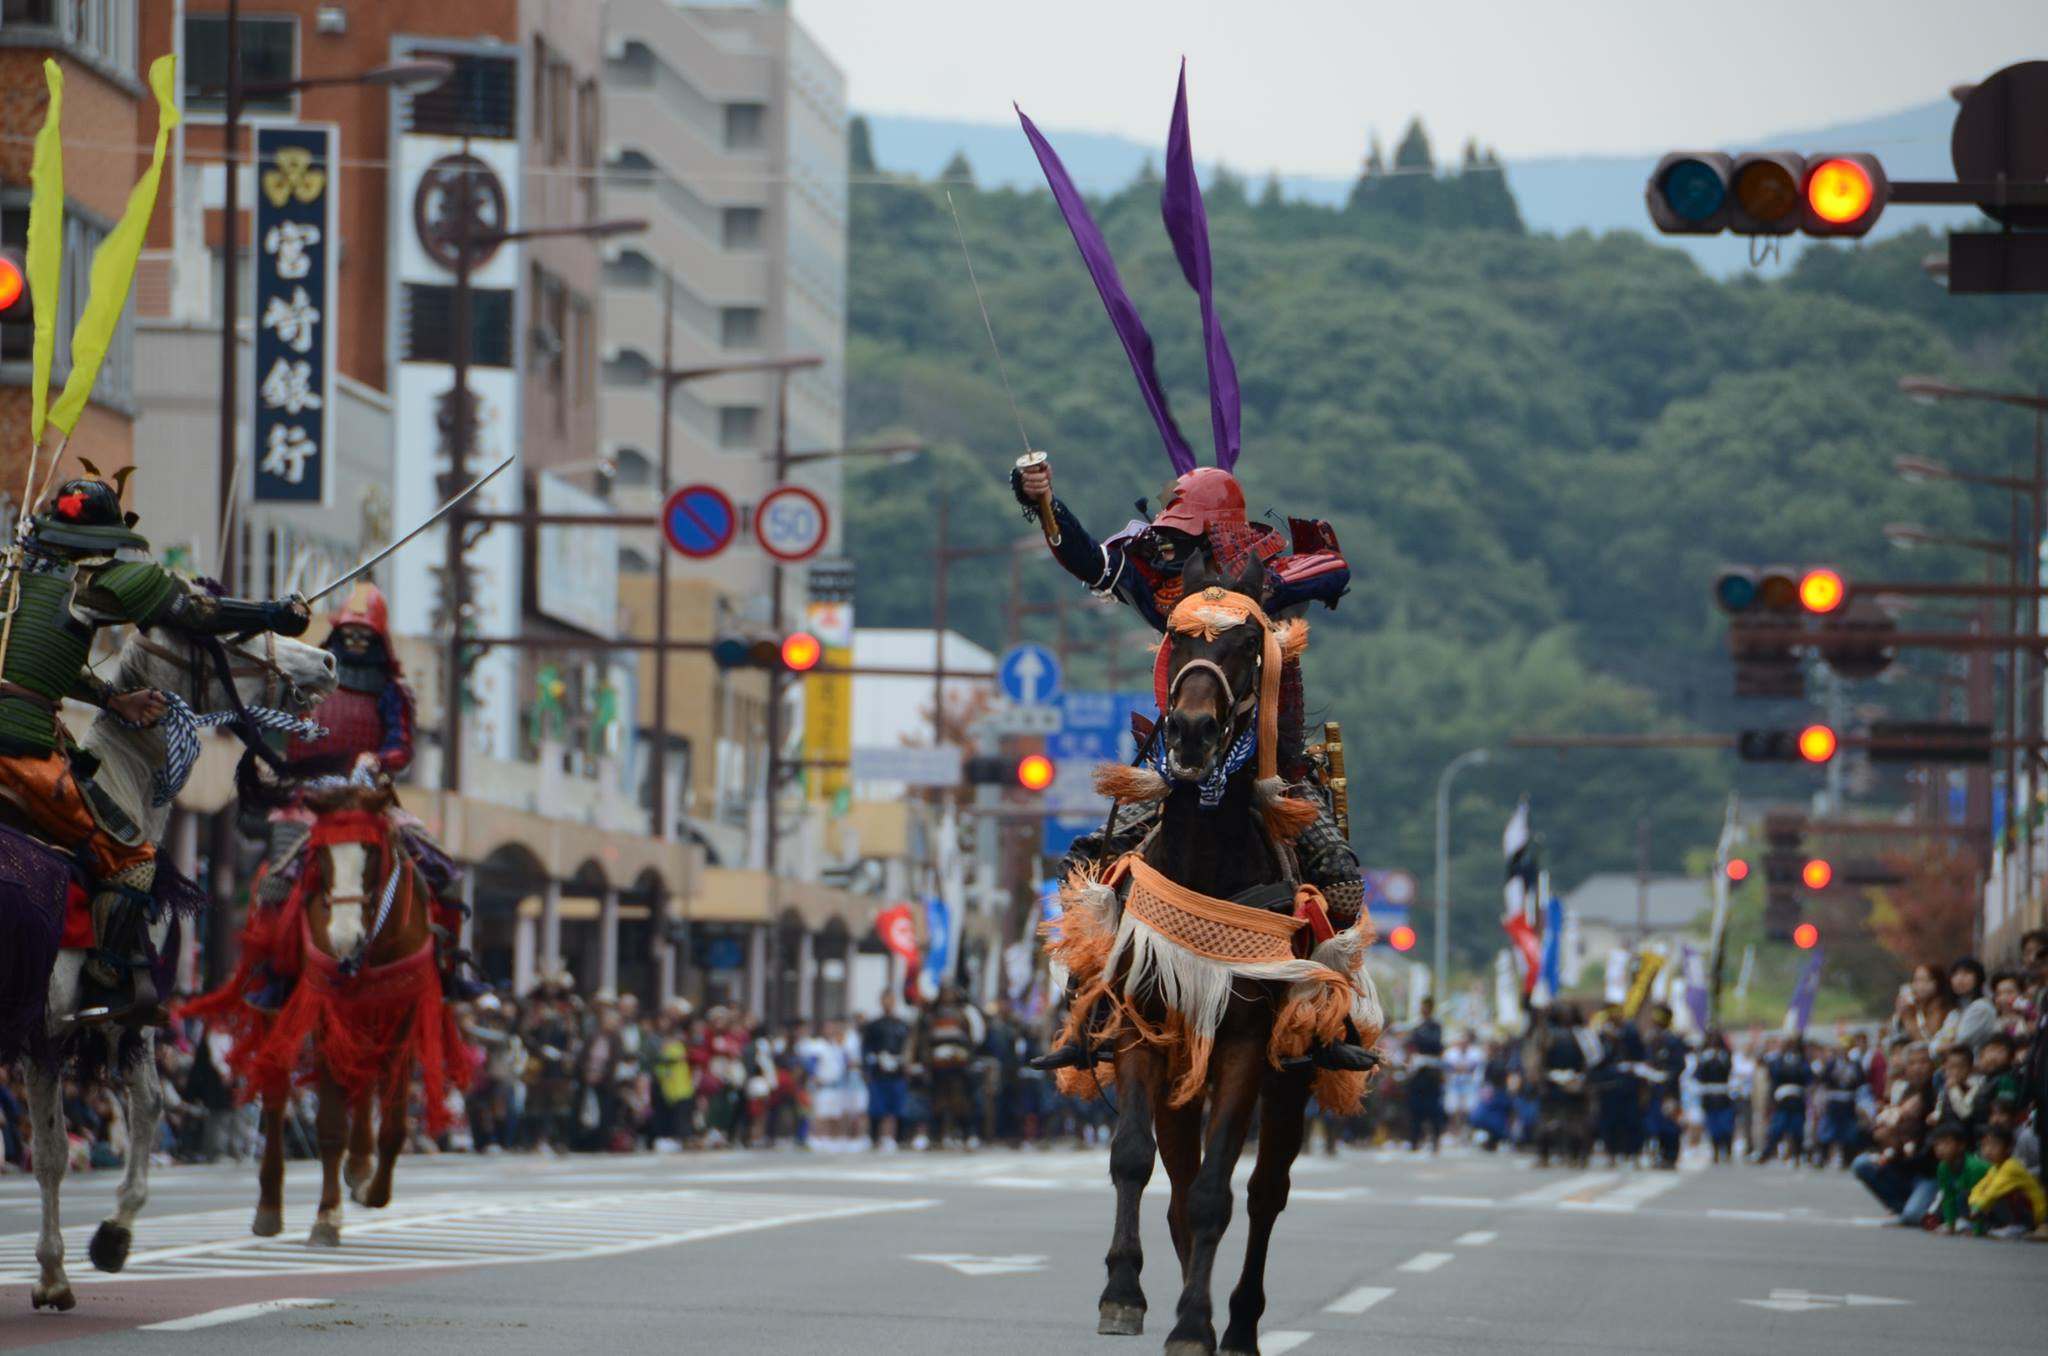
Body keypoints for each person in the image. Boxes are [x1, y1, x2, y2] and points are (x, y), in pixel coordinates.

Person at [0, 475, 310, 1022]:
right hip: (19, 747)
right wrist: (269, 614)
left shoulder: (11, 570)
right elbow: (196, 613)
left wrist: (111, 700)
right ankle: (105, 984)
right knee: (134, 860)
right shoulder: (94, 581)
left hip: (28, 717)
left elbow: (32, 670)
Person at [241, 583, 484, 1009]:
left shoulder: (393, 690)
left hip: (369, 796)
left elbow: (402, 745)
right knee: (275, 881)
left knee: (443, 871)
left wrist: (378, 758)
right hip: (308, 799)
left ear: (378, 639)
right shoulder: (303, 676)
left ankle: (449, 968)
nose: (355, 641)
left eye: (364, 635)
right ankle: (273, 974)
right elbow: (270, 719)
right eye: (349, 632)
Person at [1967, 1124, 2046, 1237]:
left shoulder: (2011, 1166)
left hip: (2035, 1214)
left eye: (1994, 1145)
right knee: (1977, 1195)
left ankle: (2021, 1226)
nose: (1988, 1150)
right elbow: (1979, 1188)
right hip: (2015, 1210)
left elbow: (1993, 1191)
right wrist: (1974, 1204)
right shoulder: (1995, 1167)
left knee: (2000, 1194)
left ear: (2008, 1148)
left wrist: (1978, 1208)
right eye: (1984, 1145)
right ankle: (2002, 1225)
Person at [861, 990, 912, 1150]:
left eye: (891, 1000)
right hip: (878, 1071)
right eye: (885, 1000)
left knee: (899, 1107)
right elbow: (866, 1048)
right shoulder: (873, 1025)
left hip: (897, 1071)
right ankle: (874, 1138)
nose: (888, 1003)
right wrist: (867, 1067)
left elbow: (909, 1047)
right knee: (876, 1108)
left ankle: (900, 1139)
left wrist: (906, 1063)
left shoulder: (902, 1025)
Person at [1757, 1035, 1812, 1166]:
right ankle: (1767, 1152)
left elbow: (1807, 1076)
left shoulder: (1802, 1061)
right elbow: (1773, 1075)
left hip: (1797, 1098)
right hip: (1782, 1099)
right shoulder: (1778, 1060)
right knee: (1777, 1128)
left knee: (1797, 1129)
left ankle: (1798, 1154)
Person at [1928, 1122, 1987, 1234]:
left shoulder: (1975, 1168)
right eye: (1937, 1144)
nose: (1940, 1148)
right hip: (1969, 1202)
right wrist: (1951, 1225)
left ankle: (1983, 1226)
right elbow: (1948, 1197)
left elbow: (1980, 1200)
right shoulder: (1943, 1166)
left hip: (1991, 1202)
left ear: (1961, 1145)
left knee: (1966, 1196)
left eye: (1946, 1143)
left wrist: (1977, 1231)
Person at [1404, 998, 1447, 1153]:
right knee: (1415, 1109)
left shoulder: (1435, 1027)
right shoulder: (1416, 1026)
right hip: (1418, 1072)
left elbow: (1435, 1044)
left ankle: (1435, 1140)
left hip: (1432, 1072)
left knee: (1433, 1109)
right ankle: (1414, 1140)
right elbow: (1410, 1045)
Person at [1890, 963, 1958, 1053]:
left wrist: (1908, 1018)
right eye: (1916, 980)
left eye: (1925, 980)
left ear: (1938, 982)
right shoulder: (1912, 1008)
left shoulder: (1947, 1010)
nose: (1919, 985)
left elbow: (1926, 1042)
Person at [1694, 1029, 1738, 1164]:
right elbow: (1698, 1075)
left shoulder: (1726, 1056)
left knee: (1726, 1125)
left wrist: (1719, 1058)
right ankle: (1716, 1150)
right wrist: (1705, 1060)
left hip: (1723, 1093)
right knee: (1713, 1126)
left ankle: (1727, 1148)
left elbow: (1728, 1070)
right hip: (1709, 1094)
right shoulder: (1703, 1057)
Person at [1948, 956, 1999, 1054]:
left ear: (1978, 978)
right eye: (1955, 974)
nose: (1959, 979)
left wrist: (1942, 1046)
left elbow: (1960, 1041)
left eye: (1966, 973)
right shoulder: (1955, 1011)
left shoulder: (1981, 1007)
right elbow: (1935, 1045)